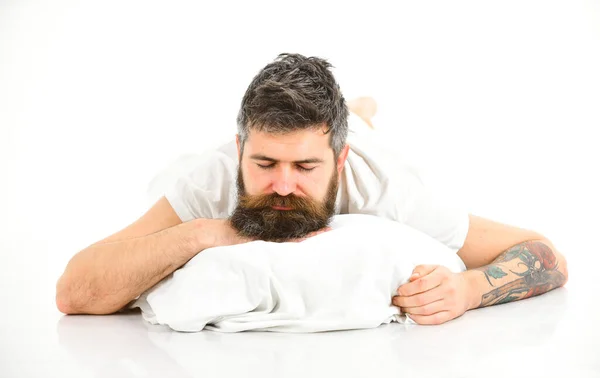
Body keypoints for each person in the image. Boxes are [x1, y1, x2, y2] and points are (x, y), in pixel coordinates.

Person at [56, 53, 569, 325]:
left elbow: (545, 254)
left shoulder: (384, 186)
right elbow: (73, 291)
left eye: (305, 166)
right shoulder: (215, 176)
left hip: (364, 142)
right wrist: (199, 234)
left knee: (364, 120)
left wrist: (469, 290)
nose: (281, 185)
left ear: (338, 161)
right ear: (239, 151)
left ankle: (361, 113)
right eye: (263, 162)